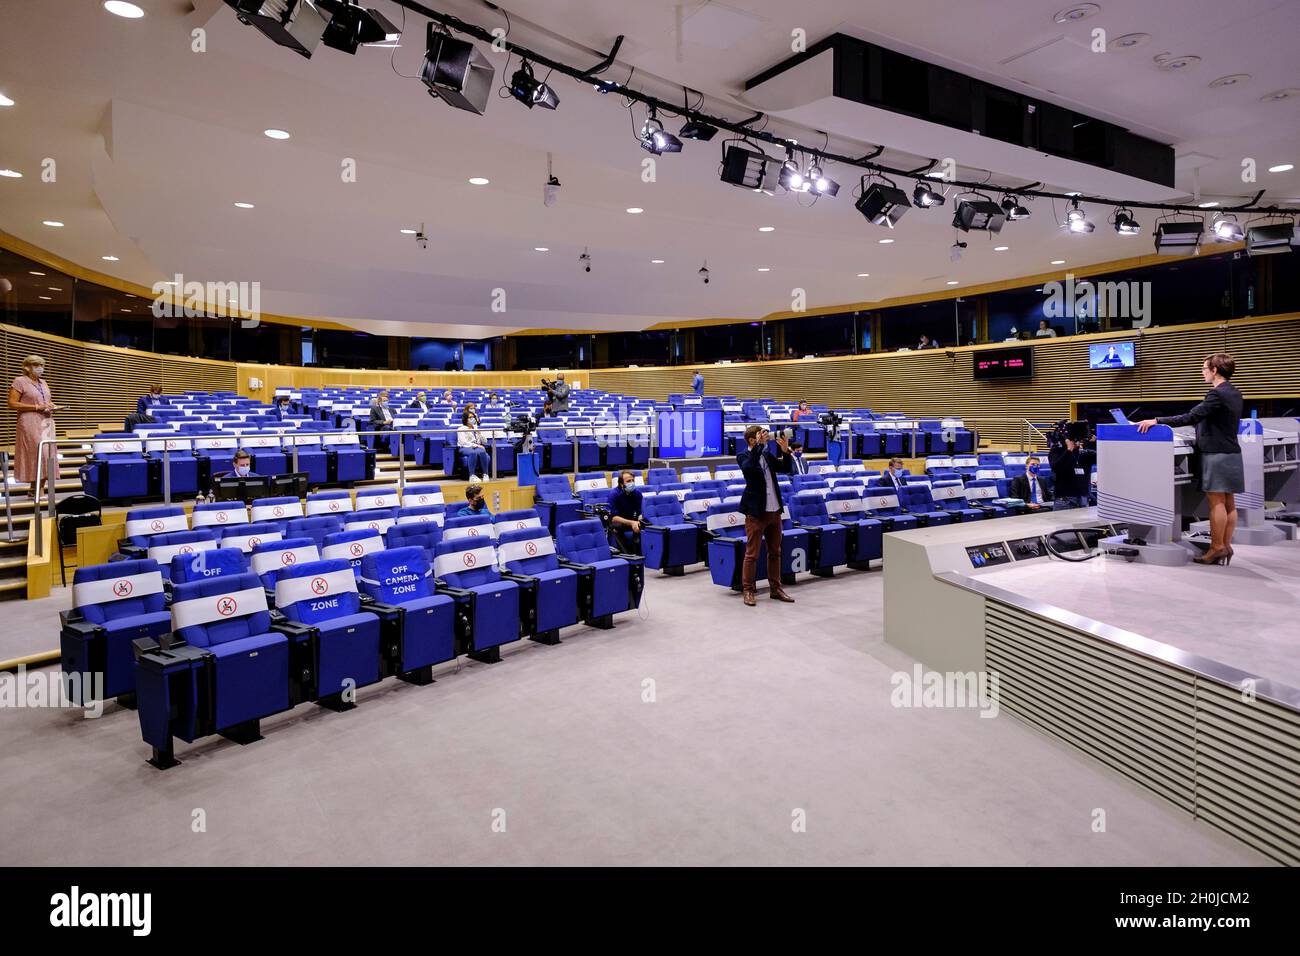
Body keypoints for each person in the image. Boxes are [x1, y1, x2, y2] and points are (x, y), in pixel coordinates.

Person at [1137, 352, 1244, 566]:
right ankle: (1226, 544)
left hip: (1216, 454)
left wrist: (1157, 420)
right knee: (1229, 502)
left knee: (1217, 503)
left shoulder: (1216, 394)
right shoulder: (1235, 393)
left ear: (1215, 371)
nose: (1202, 372)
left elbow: (1191, 416)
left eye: (1205, 368)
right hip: (1232, 452)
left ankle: (1216, 548)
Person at [737, 424, 795, 606]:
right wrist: (760, 446)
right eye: (760, 434)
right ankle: (748, 590)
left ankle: (775, 589)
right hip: (756, 512)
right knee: (752, 554)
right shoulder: (743, 455)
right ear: (751, 440)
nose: (765, 436)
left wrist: (785, 452)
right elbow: (749, 469)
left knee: (775, 552)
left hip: (774, 510)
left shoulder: (767, 454)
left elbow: (785, 469)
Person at [8, 354, 60, 502]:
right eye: (36, 365)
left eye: (41, 365)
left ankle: (34, 489)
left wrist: (52, 406)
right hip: (29, 421)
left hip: (46, 420)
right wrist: (36, 406)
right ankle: (38, 489)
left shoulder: (43, 382)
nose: (40, 368)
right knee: (37, 453)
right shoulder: (20, 381)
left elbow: (47, 401)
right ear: (27, 367)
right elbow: (12, 403)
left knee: (48, 453)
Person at [1047, 433, 1096, 511]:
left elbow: (1101, 458)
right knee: (1062, 523)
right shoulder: (1056, 451)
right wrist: (1068, 450)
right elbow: (1056, 468)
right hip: (1064, 500)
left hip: (1083, 499)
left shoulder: (1084, 453)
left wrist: (1093, 443)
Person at [607, 469, 643, 555]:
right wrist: (632, 523)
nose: (631, 483)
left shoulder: (637, 493)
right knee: (617, 526)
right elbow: (614, 518)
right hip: (619, 523)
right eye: (628, 481)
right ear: (621, 484)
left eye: (633, 480)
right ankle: (625, 555)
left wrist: (639, 521)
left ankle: (639, 554)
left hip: (633, 521)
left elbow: (641, 511)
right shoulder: (614, 494)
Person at [456, 408, 490, 482]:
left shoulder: (476, 428)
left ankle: (485, 474)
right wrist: (477, 446)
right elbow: (463, 442)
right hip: (465, 448)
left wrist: (479, 433)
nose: (473, 419)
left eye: (473, 417)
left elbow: (485, 442)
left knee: (482, 452)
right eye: (470, 417)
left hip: (476, 447)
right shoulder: (461, 429)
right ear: (466, 419)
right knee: (473, 453)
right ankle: (472, 476)